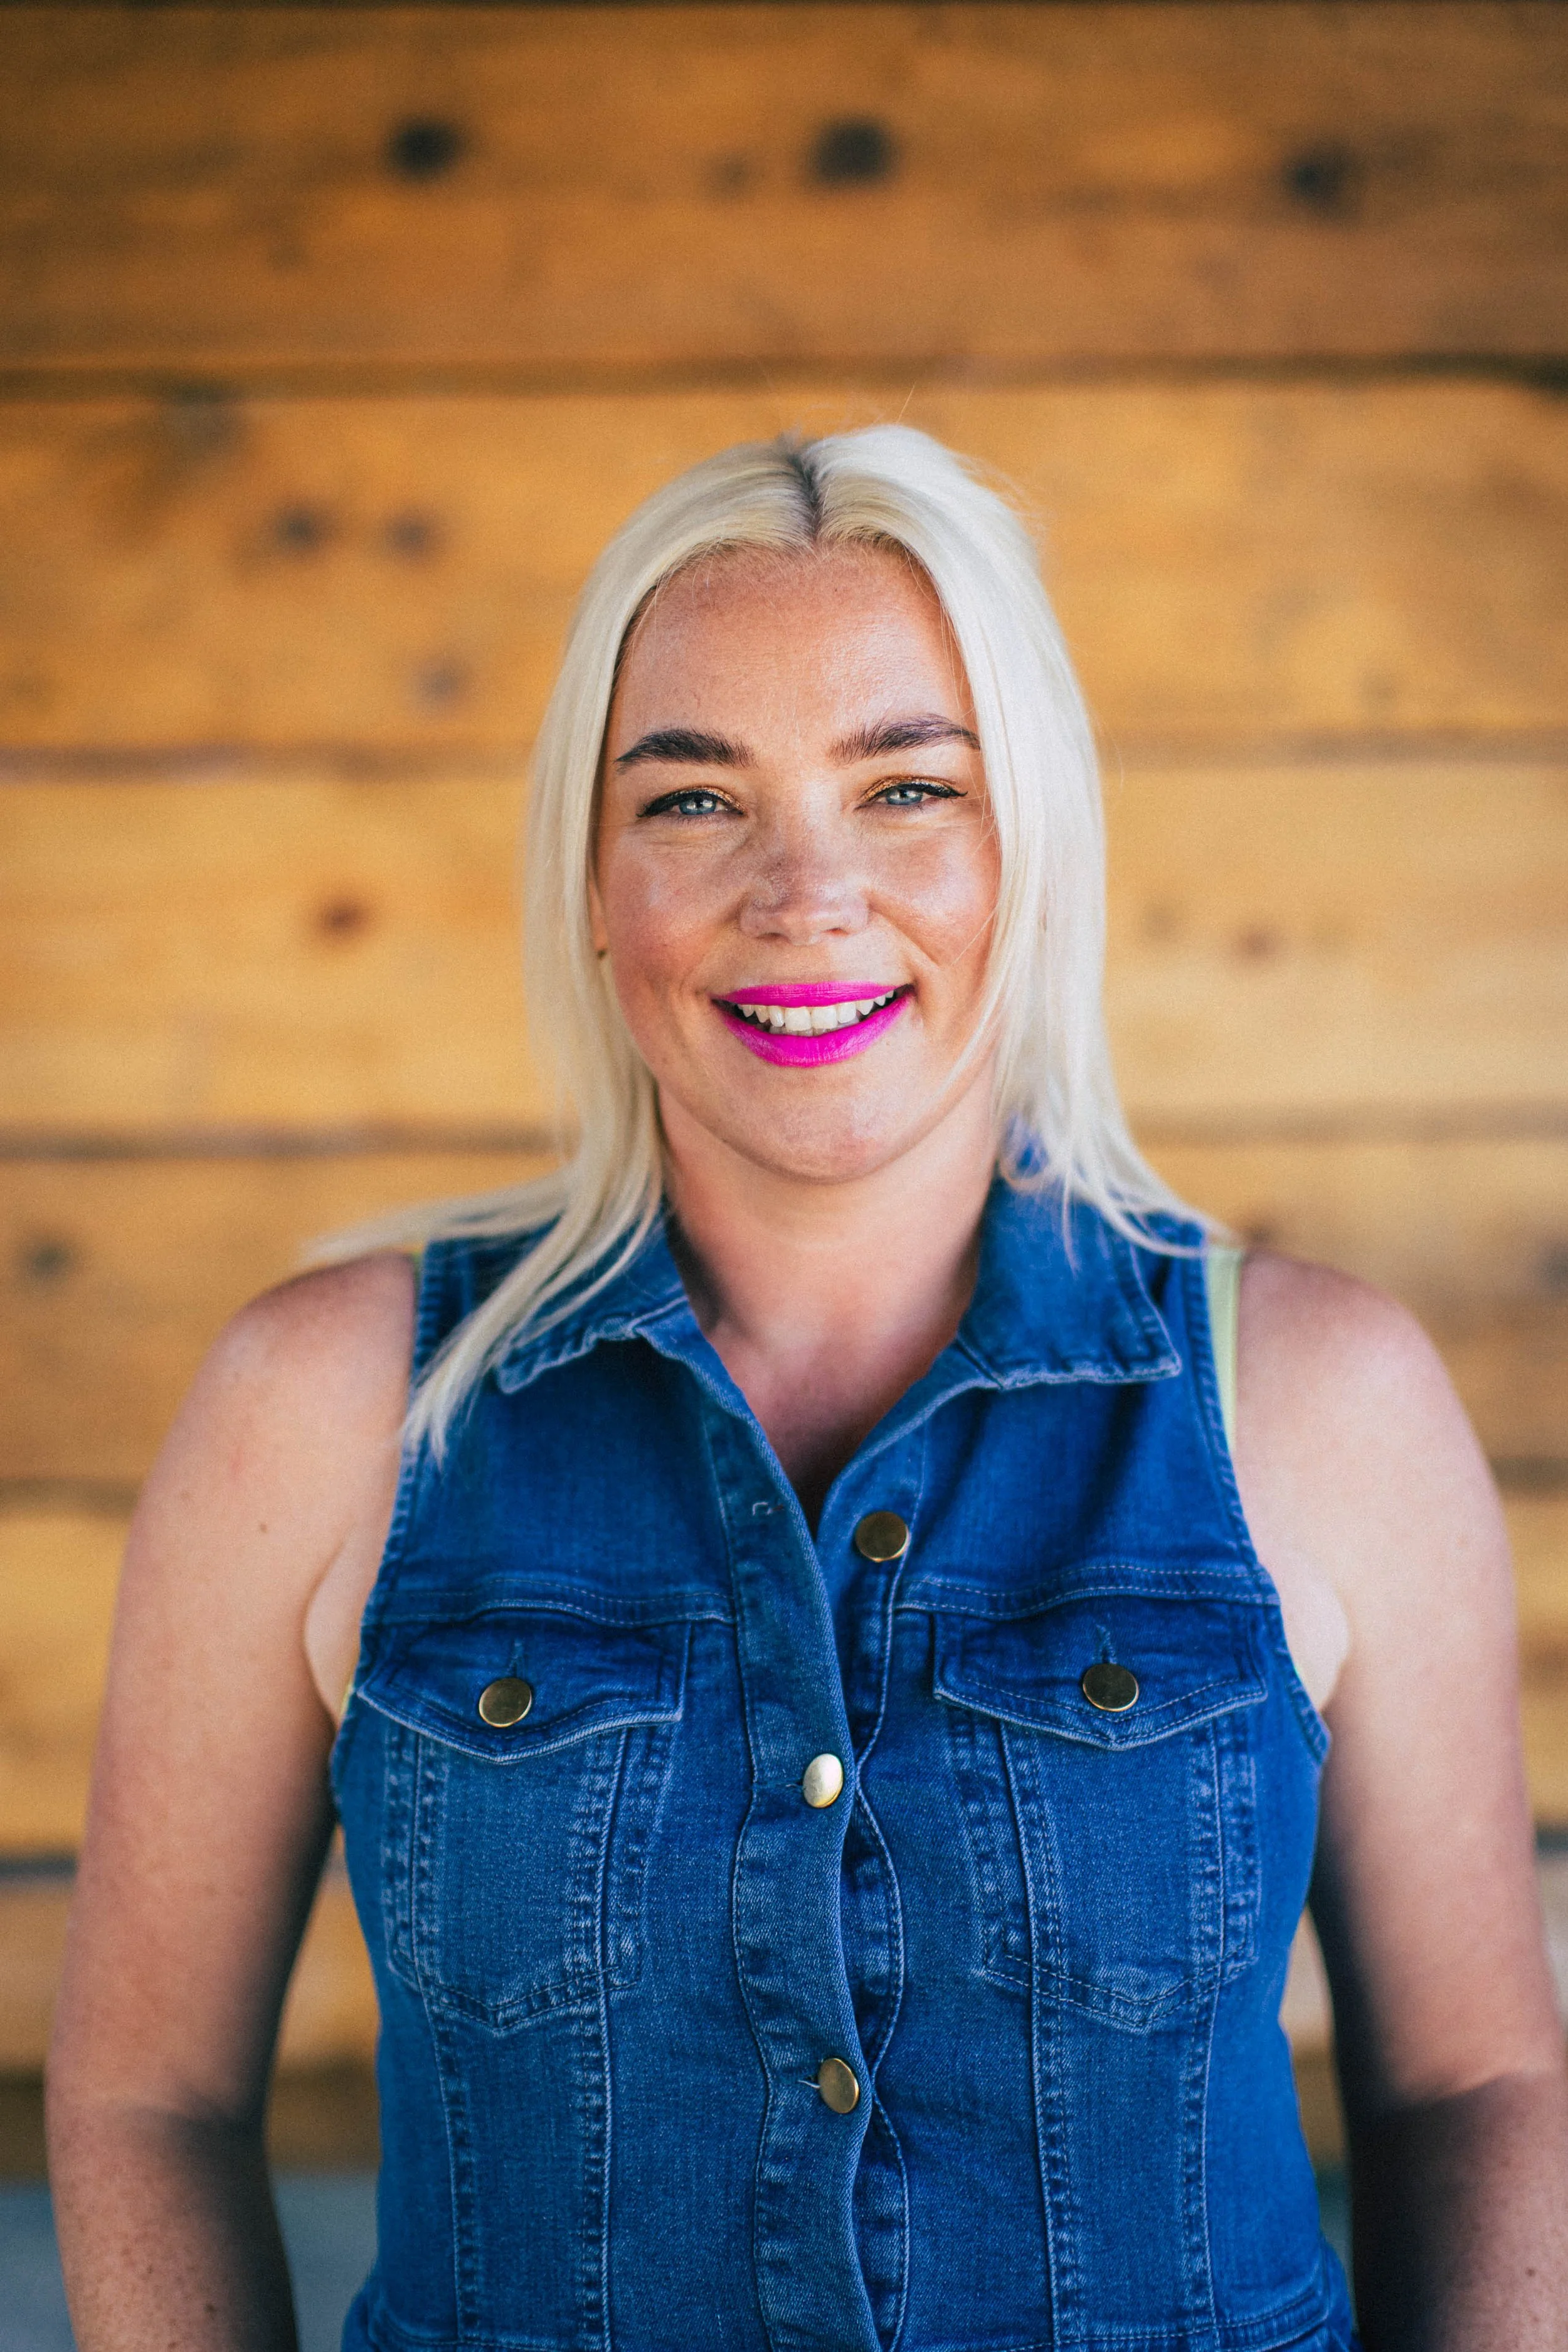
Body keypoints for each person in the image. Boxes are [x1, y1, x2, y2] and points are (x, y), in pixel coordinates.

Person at [48, 428, 1567, 2352]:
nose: (806, 889)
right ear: (596, 886)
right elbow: (144, 2097)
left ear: (1030, 850)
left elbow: (1475, 2092)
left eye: (907, 785)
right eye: (693, 800)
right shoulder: (330, 1410)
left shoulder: (1317, 1401)